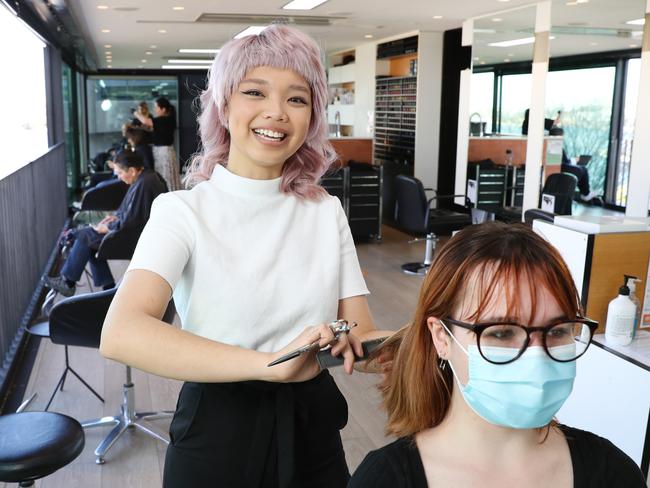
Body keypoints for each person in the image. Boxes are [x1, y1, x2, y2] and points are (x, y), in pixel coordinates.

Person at [100, 25, 385, 488]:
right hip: (217, 428)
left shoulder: (325, 210)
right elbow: (121, 333)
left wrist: (427, 342)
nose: (277, 112)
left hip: (312, 425)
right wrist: (269, 363)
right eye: (255, 91)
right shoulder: (181, 211)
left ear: (311, 115)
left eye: (297, 98)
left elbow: (361, 333)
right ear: (224, 106)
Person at [350, 222, 646, 487]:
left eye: (557, 331)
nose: (536, 357)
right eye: (502, 333)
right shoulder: (384, 479)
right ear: (442, 336)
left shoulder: (612, 473)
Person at [46, 150, 167, 296]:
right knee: (87, 239)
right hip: (138, 233)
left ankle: (69, 283)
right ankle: (105, 289)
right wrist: (114, 218)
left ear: (132, 170)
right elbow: (132, 213)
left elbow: (133, 221)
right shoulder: (146, 177)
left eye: (120, 173)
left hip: (133, 239)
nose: (119, 177)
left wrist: (107, 227)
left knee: (84, 237)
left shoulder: (145, 185)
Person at [522, 109, 599, 203]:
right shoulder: (542, 136)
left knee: (581, 169)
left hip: (558, 163)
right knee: (581, 170)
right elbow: (556, 161)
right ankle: (585, 194)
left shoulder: (532, 129)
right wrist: (560, 115)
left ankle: (585, 194)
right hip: (555, 165)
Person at [134, 96, 180, 190]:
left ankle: (166, 193)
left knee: (164, 175)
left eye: (156, 107)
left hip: (163, 152)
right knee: (166, 175)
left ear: (163, 109)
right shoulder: (166, 120)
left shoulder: (163, 119)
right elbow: (151, 129)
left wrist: (135, 113)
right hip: (165, 151)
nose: (155, 110)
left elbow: (146, 121)